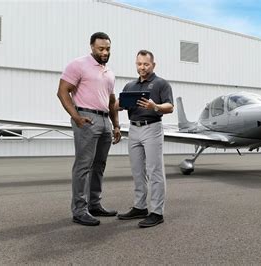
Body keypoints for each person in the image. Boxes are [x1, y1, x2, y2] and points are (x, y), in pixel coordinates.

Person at [57, 32, 121, 226]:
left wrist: (116, 125)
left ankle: (94, 204)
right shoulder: (78, 64)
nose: (104, 52)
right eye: (101, 48)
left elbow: (111, 102)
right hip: (86, 118)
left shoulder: (109, 73)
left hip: (104, 121)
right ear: (92, 47)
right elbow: (62, 91)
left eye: (108, 49)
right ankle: (79, 210)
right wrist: (75, 116)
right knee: (83, 165)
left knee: (99, 165)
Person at [117, 50, 174, 228]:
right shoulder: (129, 86)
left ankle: (157, 212)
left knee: (154, 171)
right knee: (137, 170)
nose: (142, 67)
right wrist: (118, 106)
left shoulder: (161, 84)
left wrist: (154, 106)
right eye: (139, 64)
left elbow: (170, 107)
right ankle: (140, 207)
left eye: (146, 64)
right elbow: (117, 106)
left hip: (152, 128)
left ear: (153, 65)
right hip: (133, 129)